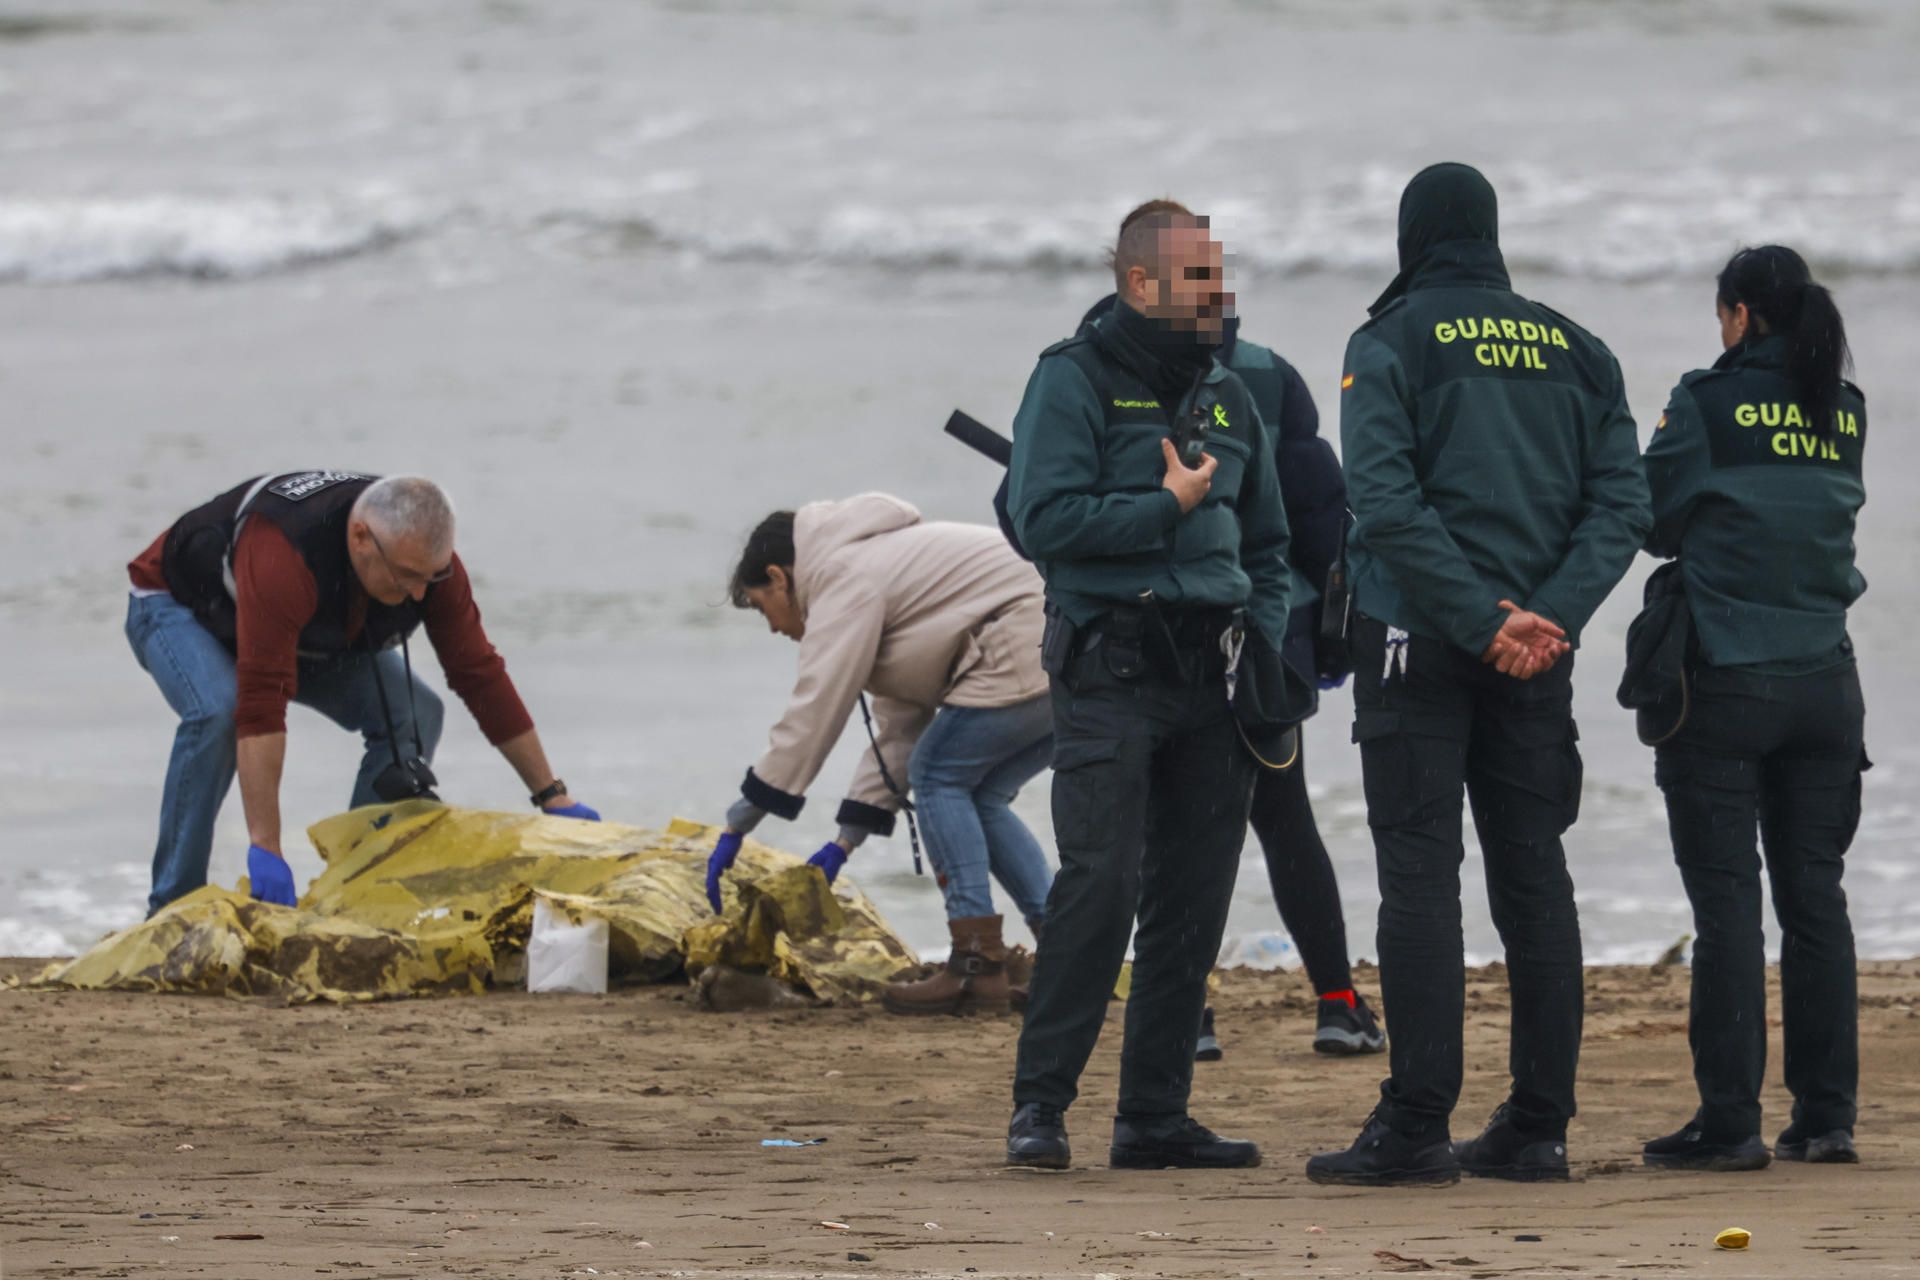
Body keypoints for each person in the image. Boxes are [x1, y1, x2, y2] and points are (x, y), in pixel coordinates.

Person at [1306, 164, 1651, 1187]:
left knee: (1420, 874)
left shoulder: (1390, 339)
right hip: (1539, 648)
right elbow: (1622, 505)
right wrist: (1549, 614)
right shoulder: (1580, 349)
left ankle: (1416, 1122)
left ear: (1412, 236)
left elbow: (1381, 498)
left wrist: (1477, 618)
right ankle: (1538, 1124)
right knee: (1534, 874)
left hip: (1420, 637)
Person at [1003, 207, 1293, 1172]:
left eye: (1221, 274)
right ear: (1140, 285)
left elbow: (1271, 545)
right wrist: (1163, 506)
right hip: (1109, 666)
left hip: (1212, 674)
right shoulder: (1071, 379)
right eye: (1200, 277)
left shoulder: (1231, 393)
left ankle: (1154, 1118)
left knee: (1194, 897)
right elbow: (1043, 520)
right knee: (1101, 886)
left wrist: (1269, 644)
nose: (1220, 293)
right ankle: (1039, 1108)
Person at [1079, 199, 1385, 1061]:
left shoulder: (1098, 367)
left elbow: (1039, 511)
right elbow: (1319, 517)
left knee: (1159, 832)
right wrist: (1329, 637)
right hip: (1261, 638)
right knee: (1281, 820)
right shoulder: (1269, 374)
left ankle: (1195, 1014)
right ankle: (1335, 1003)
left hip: (1161, 637)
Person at [1638, 246, 1869, 1171]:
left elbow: (1652, 518)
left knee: (1728, 903)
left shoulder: (1705, 402)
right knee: (1816, 901)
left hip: (1725, 681)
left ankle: (1728, 1122)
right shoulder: (1842, 410)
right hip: (1827, 685)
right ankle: (1826, 1118)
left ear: (1738, 316)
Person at [126, 471, 599, 916]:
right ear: (360, 539)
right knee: (220, 711)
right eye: (407, 576)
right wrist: (265, 846)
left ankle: (350, 892)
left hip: (304, 627)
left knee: (416, 710)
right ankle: (172, 908)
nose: (418, 595)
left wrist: (551, 794)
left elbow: (478, 673)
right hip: (178, 605)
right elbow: (260, 703)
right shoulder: (282, 554)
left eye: (429, 577)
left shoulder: (427, 567)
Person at [705, 494, 1055, 1016]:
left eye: (762, 608)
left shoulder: (843, 577)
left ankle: (974, 967)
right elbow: (898, 728)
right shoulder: (879, 571)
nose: (775, 627)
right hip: (1061, 648)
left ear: (779, 578)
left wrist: (740, 820)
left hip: (1021, 641)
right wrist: (844, 843)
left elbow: (816, 706)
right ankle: (1068, 954)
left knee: (937, 776)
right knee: (978, 794)